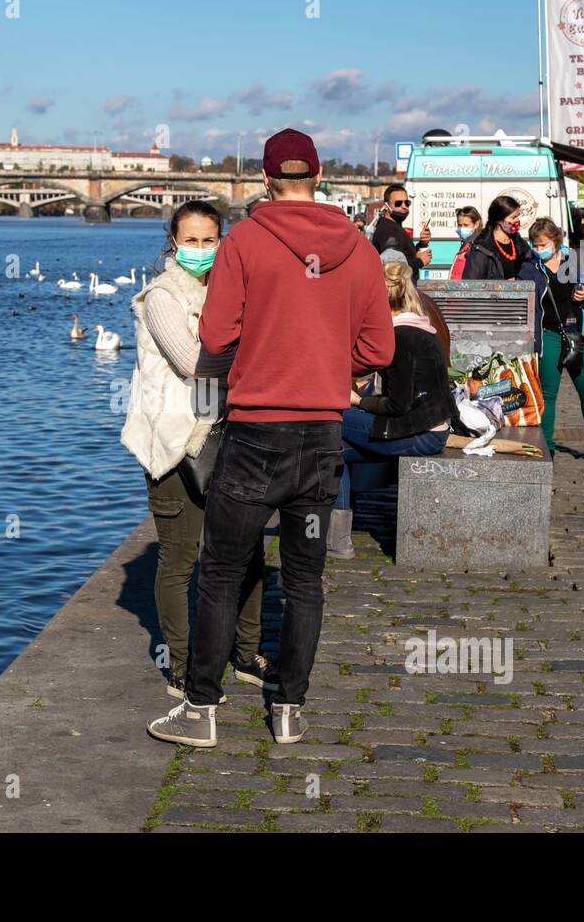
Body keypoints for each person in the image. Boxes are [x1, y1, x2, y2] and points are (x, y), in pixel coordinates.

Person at [147, 129, 394, 749]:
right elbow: (380, 349)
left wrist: (267, 351)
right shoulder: (360, 249)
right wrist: (327, 366)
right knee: (305, 579)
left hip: (256, 433)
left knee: (222, 572)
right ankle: (288, 708)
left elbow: (217, 338)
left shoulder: (246, 242)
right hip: (321, 436)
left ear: (265, 179)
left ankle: (202, 708)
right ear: (318, 177)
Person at [119, 200, 270, 701]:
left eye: (210, 241)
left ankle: (246, 655)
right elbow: (194, 362)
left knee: (247, 551)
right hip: (172, 443)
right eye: (192, 241)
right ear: (173, 242)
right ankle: (181, 668)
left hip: (226, 432)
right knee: (181, 557)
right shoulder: (161, 296)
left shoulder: (229, 291)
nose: (201, 250)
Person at [325, 258, 456, 558]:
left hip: (418, 433)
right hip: (431, 427)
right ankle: (336, 541)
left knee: (332, 418)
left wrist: (357, 401)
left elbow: (398, 405)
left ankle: (337, 539)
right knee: (334, 449)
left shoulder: (398, 338)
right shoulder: (420, 328)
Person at [519, 217, 584, 462]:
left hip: (577, 334)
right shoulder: (530, 267)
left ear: (556, 241)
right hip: (548, 335)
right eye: (535, 245)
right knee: (548, 393)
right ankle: (548, 446)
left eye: (543, 245)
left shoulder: (577, 259)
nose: (539, 250)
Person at [462, 195, 531, 280]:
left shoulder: (520, 244)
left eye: (518, 216)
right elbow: (470, 284)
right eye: (513, 217)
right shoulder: (481, 249)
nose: (517, 220)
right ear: (499, 220)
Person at [370, 183, 431, 279]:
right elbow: (393, 268)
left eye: (407, 203)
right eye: (398, 203)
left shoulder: (395, 227)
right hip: (398, 292)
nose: (404, 206)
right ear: (386, 206)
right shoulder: (388, 231)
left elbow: (404, 257)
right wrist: (420, 261)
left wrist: (422, 244)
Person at [449, 205, 482, 280]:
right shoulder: (466, 244)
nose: (462, 228)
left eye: (466, 225)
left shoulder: (477, 246)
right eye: (459, 225)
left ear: (476, 224)